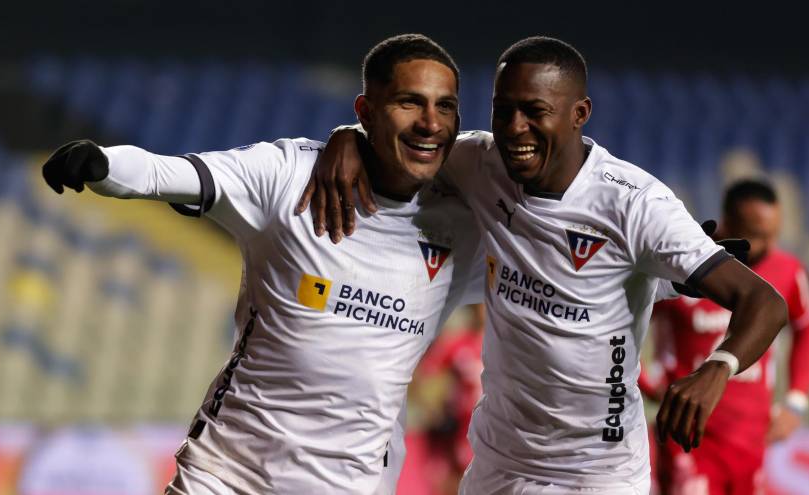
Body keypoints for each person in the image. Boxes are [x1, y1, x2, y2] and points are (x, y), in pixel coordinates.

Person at [297, 36, 788, 494]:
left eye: (535, 112)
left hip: (597, 472)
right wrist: (348, 136)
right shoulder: (478, 162)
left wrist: (716, 370)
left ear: (580, 114)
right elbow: (400, 141)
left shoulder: (638, 205)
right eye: (502, 110)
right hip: (498, 461)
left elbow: (763, 301)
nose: (514, 129)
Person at [40, 34, 487, 494]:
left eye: (446, 106)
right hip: (227, 474)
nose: (431, 122)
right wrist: (101, 165)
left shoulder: (464, 224)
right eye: (410, 103)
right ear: (367, 111)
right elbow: (165, 173)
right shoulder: (288, 174)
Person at [644, 179, 809, 495]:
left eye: (773, 234)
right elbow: (623, 324)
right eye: (757, 235)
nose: (768, 245)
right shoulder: (684, 268)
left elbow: (805, 329)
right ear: (728, 225)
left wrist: (796, 401)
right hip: (689, 437)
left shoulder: (787, 272)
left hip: (752, 438)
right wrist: (646, 382)